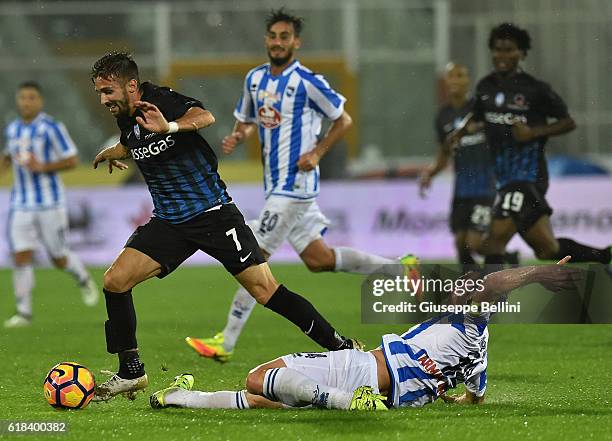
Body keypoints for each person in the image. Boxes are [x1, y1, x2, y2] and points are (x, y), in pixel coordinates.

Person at [89, 52, 362, 401]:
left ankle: (341, 347)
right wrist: (117, 151)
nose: (103, 100)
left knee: (265, 291)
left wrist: (170, 126)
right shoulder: (126, 116)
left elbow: (204, 116)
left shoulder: (161, 100)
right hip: (170, 222)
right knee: (115, 281)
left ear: (131, 85)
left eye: (108, 91)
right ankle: (131, 372)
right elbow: (134, 141)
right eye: (100, 93)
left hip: (214, 214)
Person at [185, 8, 418, 362]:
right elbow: (247, 120)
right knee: (318, 258)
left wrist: (317, 152)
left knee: (253, 256)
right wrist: (238, 135)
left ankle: (226, 341)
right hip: (276, 184)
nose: (278, 42)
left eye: (285, 37)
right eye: (273, 36)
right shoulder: (254, 79)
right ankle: (400, 268)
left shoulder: (308, 82)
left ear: (296, 42)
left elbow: (344, 119)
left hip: (295, 186)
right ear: (266, 40)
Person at [150, 256, 580, 411]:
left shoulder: (465, 317)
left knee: (258, 377)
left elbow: (491, 285)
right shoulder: (478, 353)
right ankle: (178, 397)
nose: (461, 282)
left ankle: (340, 401)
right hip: (386, 392)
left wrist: (538, 273)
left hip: (365, 371)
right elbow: (476, 395)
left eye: (466, 281)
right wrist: (446, 391)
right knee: (270, 400)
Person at [448, 23, 611, 270]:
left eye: (509, 50)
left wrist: (533, 132)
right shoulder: (485, 88)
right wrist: (460, 132)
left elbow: (568, 122)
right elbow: (478, 115)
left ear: (522, 53)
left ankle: (487, 303)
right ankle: (605, 256)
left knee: (492, 243)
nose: (502, 56)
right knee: (547, 249)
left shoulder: (535, 89)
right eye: (498, 50)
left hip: (528, 177)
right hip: (504, 179)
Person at [1, 81, 99, 328]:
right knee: (20, 256)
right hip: (20, 203)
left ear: (40, 101)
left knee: (58, 257)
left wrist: (42, 167)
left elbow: (72, 159)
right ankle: (24, 313)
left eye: (32, 97)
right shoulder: (13, 129)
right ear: (18, 100)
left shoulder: (51, 127)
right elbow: (8, 156)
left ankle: (83, 277)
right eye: (23, 97)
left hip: (50, 202)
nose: (26, 102)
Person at [420, 63, 517, 274]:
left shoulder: (480, 110)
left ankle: (496, 272)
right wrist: (430, 173)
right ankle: (474, 287)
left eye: (460, 75)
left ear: (468, 80)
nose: (455, 80)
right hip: (461, 190)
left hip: (485, 188)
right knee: (460, 244)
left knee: (473, 244)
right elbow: (443, 156)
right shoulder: (443, 116)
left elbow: (505, 137)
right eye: (451, 76)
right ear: (446, 81)